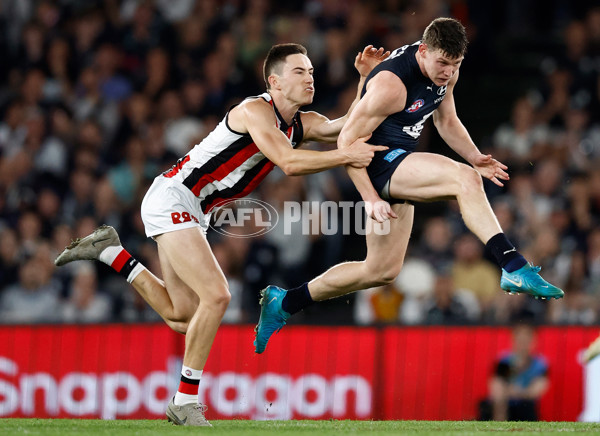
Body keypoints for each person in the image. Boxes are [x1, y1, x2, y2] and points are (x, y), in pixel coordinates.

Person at [54, 43, 389, 426]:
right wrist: (346, 157)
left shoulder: (302, 123)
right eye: (300, 71)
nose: (310, 76)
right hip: (173, 197)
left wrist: (365, 78)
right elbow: (290, 163)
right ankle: (184, 402)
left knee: (182, 315)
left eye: (311, 70)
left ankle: (110, 252)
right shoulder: (255, 111)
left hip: (191, 209)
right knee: (217, 295)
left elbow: (345, 126)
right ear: (274, 82)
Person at [254, 17, 564, 355]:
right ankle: (513, 265)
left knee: (380, 270)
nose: (448, 72)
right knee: (465, 180)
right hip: (374, 164)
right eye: (443, 63)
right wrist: (370, 198)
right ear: (424, 49)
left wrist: (475, 155)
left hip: (399, 163)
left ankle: (284, 301)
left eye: (455, 65)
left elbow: (446, 120)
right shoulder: (392, 84)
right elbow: (346, 141)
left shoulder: (446, 69)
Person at [479, 323, 549, 421]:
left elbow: (536, 391)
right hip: (504, 407)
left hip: (525, 408)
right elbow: (497, 388)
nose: (523, 342)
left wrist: (515, 392)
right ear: (513, 339)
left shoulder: (539, 365)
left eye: (526, 338)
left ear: (534, 340)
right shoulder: (505, 362)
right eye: (520, 338)